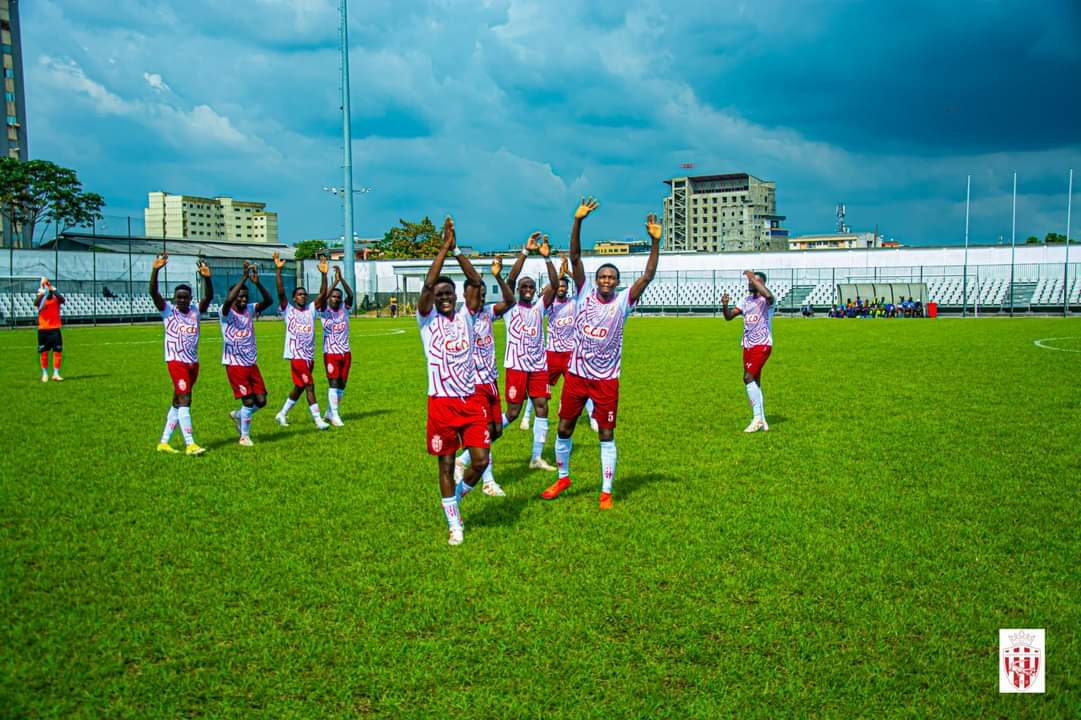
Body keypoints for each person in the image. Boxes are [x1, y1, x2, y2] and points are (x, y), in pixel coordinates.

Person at [542, 199, 662, 510]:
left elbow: (647, 277)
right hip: (578, 377)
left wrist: (655, 243)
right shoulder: (582, 293)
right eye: (603, 277)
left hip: (607, 380)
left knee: (606, 435)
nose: (607, 281)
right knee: (564, 427)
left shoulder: (623, 302)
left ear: (617, 282)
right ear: (596, 281)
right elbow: (576, 256)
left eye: (612, 278)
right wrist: (577, 221)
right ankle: (563, 477)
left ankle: (606, 491)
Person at [417, 217, 490, 546]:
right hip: (441, 404)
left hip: (471, 401)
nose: (444, 297)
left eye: (450, 293)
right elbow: (428, 286)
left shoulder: (467, 316)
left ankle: (457, 498)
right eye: (440, 294)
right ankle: (454, 525)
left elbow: (474, 281)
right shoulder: (426, 321)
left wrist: (456, 248)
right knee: (445, 464)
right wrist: (442, 248)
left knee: (481, 460)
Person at [453, 252, 518, 496]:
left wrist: (499, 278)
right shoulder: (464, 316)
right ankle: (488, 482)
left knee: (496, 431)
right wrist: (457, 252)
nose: (480, 299)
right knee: (483, 435)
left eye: (482, 296)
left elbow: (510, 302)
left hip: (490, 381)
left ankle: (463, 460)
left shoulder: (487, 312)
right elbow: (473, 283)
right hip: (473, 385)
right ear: (466, 295)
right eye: (476, 295)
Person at [500, 232, 561, 470]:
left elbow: (555, 285)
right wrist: (525, 252)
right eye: (523, 286)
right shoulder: (510, 307)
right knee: (513, 413)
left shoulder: (539, 307)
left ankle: (536, 457)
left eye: (530, 287)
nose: (527, 289)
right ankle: (477, 445)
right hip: (516, 366)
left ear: (535, 290)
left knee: (542, 407)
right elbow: (510, 280)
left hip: (538, 366)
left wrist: (547, 258)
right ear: (517, 290)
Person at [150, 253, 213, 455]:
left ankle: (164, 442)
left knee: (179, 401)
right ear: (174, 299)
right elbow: (153, 293)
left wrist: (207, 278)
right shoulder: (168, 311)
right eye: (179, 297)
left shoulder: (195, 311)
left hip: (193, 363)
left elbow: (209, 297)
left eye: (185, 297)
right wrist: (155, 270)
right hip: (176, 362)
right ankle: (190, 443)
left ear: (190, 298)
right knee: (185, 399)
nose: (182, 300)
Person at [273, 251, 330, 430]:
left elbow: (323, 294)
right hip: (296, 356)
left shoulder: (311, 309)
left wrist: (324, 274)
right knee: (310, 385)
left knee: (299, 387)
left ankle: (282, 414)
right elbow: (280, 292)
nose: (303, 296)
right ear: (293, 297)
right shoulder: (288, 310)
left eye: (304, 294)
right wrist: (278, 271)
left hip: (308, 356)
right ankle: (318, 419)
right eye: (299, 294)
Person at [223, 262, 275, 446]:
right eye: (240, 296)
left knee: (261, 401)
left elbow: (269, 301)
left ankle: (238, 416)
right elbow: (228, 301)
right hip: (235, 364)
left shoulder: (250, 310)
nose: (244, 299)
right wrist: (243, 277)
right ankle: (244, 436)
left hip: (251, 363)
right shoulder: (226, 312)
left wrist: (258, 283)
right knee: (248, 400)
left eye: (246, 296)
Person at [721, 270, 775, 433]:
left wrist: (753, 277)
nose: (750, 283)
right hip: (747, 345)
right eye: (750, 280)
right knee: (755, 382)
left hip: (762, 343)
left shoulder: (767, 301)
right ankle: (762, 419)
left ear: (762, 284)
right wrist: (725, 305)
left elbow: (769, 296)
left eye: (754, 281)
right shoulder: (745, 300)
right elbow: (729, 317)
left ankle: (757, 418)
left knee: (748, 377)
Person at [315, 262, 355, 427]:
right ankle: (335, 415)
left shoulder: (344, 310)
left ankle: (330, 412)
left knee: (342, 384)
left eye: (339, 297)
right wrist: (334, 283)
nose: (337, 299)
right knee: (333, 382)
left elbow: (350, 295)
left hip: (346, 352)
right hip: (330, 352)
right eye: (334, 296)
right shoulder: (324, 311)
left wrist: (342, 279)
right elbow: (323, 297)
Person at [35, 277, 65, 382]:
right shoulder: (40, 298)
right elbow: (36, 303)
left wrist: (53, 289)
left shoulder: (56, 298)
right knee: (44, 352)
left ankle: (56, 374)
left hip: (55, 329)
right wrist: (43, 292)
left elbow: (62, 299)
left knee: (57, 351)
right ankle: (45, 374)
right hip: (43, 329)